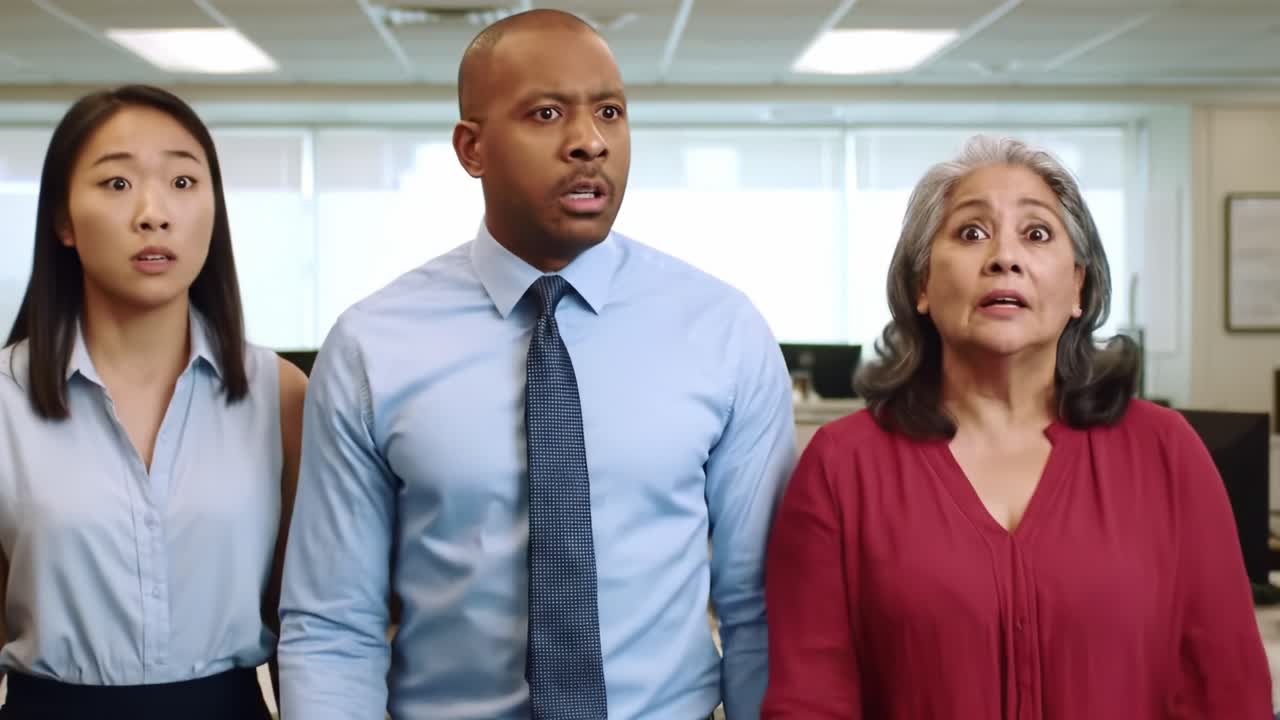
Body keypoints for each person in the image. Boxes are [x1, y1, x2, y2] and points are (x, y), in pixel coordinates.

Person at [277, 9, 796, 720]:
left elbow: (758, 611)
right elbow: (334, 624)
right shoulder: (373, 346)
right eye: (546, 113)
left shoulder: (722, 331)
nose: (589, 142)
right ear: (472, 148)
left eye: (610, 112)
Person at [762, 136, 1273, 719]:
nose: (1005, 257)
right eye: (971, 232)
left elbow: (1227, 694)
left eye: (1036, 234)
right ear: (922, 285)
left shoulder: (1165, 452)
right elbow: (810, 701)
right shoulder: (842, 465)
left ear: (1078, 285)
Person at [0, 85, 307, 719]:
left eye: (183, 182)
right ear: (62, 219)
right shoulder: (6, 398)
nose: (153, 213)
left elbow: (304, 623)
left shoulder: (279, 397)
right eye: (116, 185)